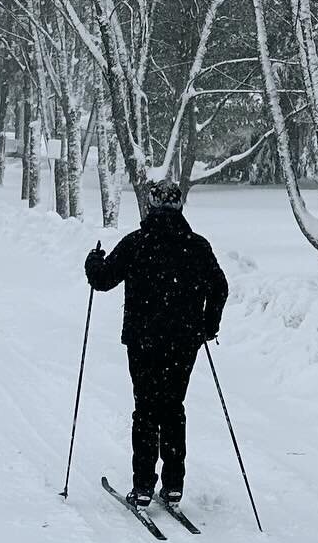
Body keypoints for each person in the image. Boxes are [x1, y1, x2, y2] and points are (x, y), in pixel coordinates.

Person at [85, 178, 228, 508]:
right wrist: (208, 326)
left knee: (147, 410)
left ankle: (144, 486)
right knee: (173, 408)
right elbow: (220, 287)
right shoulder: (197, 246)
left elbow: (103, 280)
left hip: (144, 340)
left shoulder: (137, 242)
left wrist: (93, 261)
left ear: (150, 204)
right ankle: (174, 485)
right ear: (179, 205)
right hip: (183, 342)